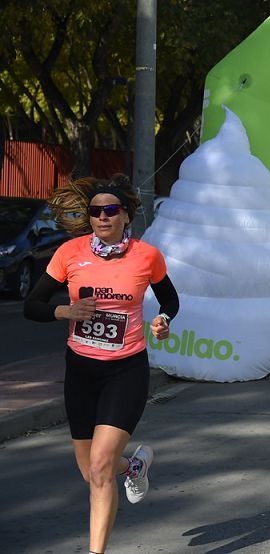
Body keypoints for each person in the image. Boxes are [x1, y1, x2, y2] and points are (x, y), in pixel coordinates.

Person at [23, 174, 178, 554]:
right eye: (95, 211)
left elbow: (170, 300)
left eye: (111, 210)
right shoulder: (69, 253)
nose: (102, 217)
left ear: (126, 215)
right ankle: (134, 467)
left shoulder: (147, 256)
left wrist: (164, 321)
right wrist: (66, 310)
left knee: (98, 467)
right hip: (81, 369)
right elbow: (32, 305)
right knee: (91, 470)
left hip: (126, 369)